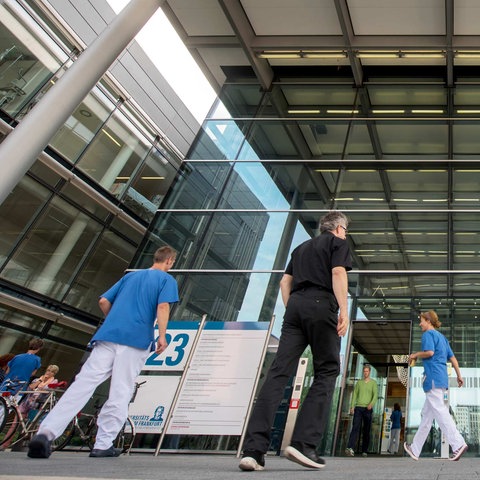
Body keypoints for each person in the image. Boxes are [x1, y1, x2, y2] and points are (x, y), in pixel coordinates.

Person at [27, 246, 179, 459]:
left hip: (108, 336)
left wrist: (113, 321)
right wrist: (162, 336)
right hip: (135, 339)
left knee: (82, 385)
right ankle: (103, 444)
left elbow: (103, 301)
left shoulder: (130, 277)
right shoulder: (166, 280)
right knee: (121, 390)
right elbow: (163, 307)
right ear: (170, 261)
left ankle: (45, 433)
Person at [239, 210, 352, 471]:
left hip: (295, 308)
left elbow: (284, 282)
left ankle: (253, 451)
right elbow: (338, 273)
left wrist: (293, 311)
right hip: (321, 304)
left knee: (278, 373)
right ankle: (303, 444)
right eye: (345, 229)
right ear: (337, 229)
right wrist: (344, 311)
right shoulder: (338, 244)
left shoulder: (301, 248)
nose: (345, 234)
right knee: (327, 370)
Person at [404, 310, 467, 462]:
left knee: (440, 411)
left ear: (428, 321)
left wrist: (415, 355)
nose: (420, 324)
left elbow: (430, 352)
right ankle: (415, 449)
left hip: (433, 378)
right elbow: (453, 359)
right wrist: (459, 375)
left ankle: (458, 444)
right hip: (441, 379)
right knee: (426, 416)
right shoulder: (443, 339)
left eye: (421, 321)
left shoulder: (428, 335)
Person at [345, 365, 378, 457]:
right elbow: (354, 395)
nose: (365, 373)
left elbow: (375, 395)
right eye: (364, 371)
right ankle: (350, 448)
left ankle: (364, 450)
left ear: (369, 372)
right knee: (355, 427)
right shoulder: (359, 383)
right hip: (358, 408)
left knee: (366, 430)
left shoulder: (373, 383)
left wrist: (371, 404)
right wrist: (352, 406)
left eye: (367, 371)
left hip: (368, 409)